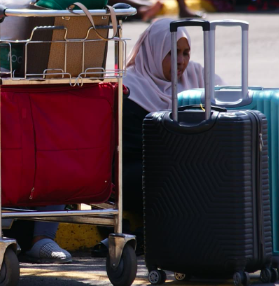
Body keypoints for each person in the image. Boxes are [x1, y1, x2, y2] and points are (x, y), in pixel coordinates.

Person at [92, 18, 222, 257]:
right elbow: (136, 149)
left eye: (185, 53)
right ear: (154, 51)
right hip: (136, 173)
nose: (181, 62)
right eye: (173, 54)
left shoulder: (195, 77)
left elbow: (226, 104)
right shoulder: (129, 88)